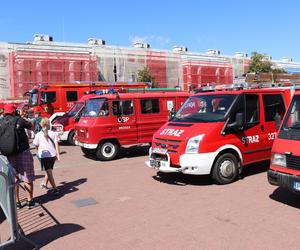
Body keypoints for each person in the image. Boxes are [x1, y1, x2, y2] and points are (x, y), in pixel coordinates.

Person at [4, 103, 37, 209]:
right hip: (23, 152)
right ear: (14, 111)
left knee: (14, 179)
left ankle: (17, 202)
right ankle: (29, 201)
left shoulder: (0, 122)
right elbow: (32, 127)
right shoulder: (19, 120)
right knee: (28, 178)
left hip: (9, 153)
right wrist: (21, 117)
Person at [33, 117, 60, 195]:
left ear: (41, 125)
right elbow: (57, 145)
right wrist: (58, 155)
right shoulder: (53, 133)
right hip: (53, 155)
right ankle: (44, 183)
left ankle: (55, 188)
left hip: (44, 155)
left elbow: (35, 144)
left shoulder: (38, 134)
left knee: (49, 172)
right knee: (49, 171)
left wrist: (38, 150)